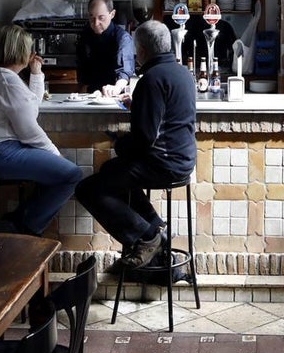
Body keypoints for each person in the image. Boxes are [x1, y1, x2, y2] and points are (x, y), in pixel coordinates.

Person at [75, 20, 196, 268]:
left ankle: (147, 237)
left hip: (162, 164)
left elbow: (144, 139)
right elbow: (166, 115)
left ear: (140, 50)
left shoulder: (151, 79)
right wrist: (138, 104)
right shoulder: (182, 73)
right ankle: (156, 227)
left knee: (88, 189)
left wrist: (119, 144)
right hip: (183, 160)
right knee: (112, 172)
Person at [0, 24, 82, 235]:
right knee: (71, 174)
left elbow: (30, 105)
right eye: (29, 48)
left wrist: (36, 74)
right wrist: (55, 154)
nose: (31, 53)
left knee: (56, 173)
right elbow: (28, 129)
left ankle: (16, 223)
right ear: (20, 51)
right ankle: (25, 229)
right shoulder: (7, 80)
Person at [76, 0, 136, 96]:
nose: (95, 23)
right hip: (91, 93)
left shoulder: (122, 38)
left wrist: (117, 87)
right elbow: (82, 67)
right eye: (92, 17)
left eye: (101, 18)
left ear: (112, 14)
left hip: (115, 93)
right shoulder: (85, 35)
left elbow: (125, 70)